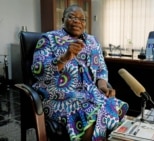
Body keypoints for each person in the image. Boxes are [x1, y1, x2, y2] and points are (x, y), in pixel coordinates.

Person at [31, 4, 129, 141]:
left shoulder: (92, 41)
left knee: (114, 107)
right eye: (72, 17)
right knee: (89, 115)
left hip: (89, 93)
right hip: (58, 96)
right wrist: (64, 58)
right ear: (63, 19)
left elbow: (101, 70)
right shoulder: (49, 39)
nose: (77, 21)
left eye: (82, 19)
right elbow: (38, 70)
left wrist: (102, 86)